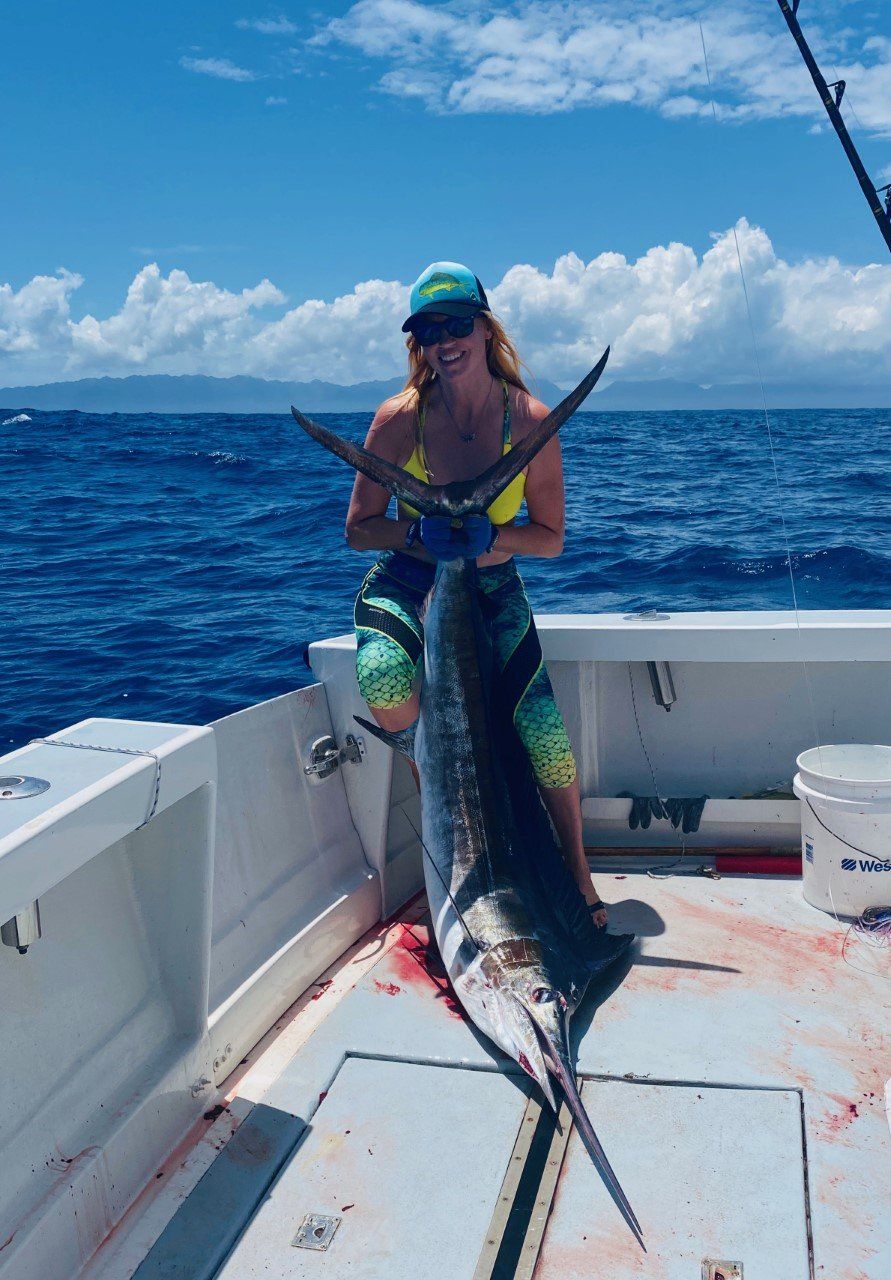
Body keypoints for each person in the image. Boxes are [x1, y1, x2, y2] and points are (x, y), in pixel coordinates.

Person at [344, 261, 606, 928]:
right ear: (418, 344)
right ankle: (449, 849)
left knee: (546, 739)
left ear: (486, 328)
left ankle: (577, 878)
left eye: (457, 324)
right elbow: (358, 529)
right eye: (428, 330)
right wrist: (417, 532)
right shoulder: (398, 420)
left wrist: (491, 538)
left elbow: (549, 539)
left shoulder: (531, 421)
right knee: (383, 675)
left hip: (489, 584)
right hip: (408, 580)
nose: (445, 341)